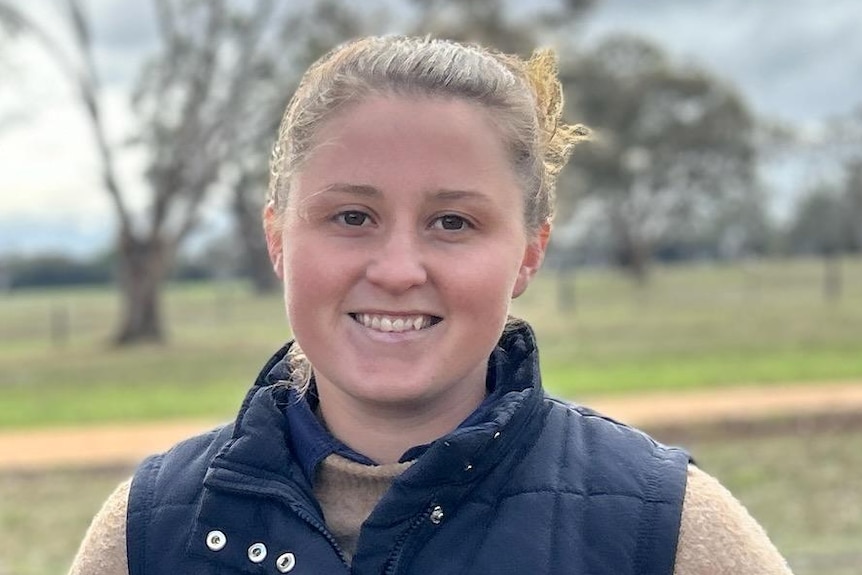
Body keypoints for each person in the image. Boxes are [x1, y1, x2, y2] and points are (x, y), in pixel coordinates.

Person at [69, 35, 793, 575]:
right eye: (352, 216)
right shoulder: (149, 535)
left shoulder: (663, 532)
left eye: (454, 222)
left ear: (530, 251)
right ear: (278, 238)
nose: (396, 269)